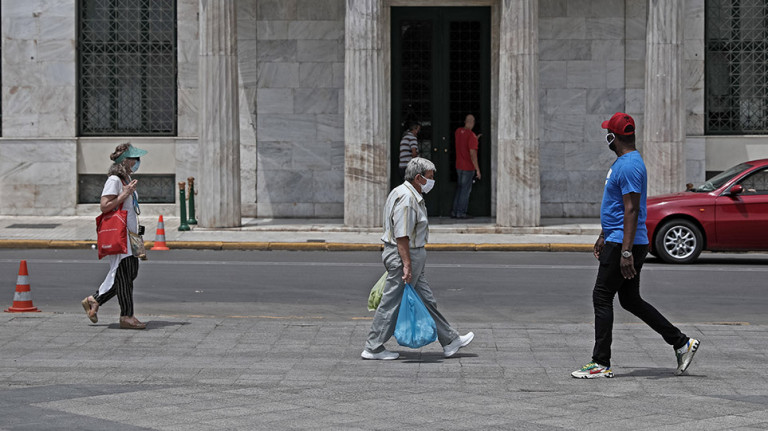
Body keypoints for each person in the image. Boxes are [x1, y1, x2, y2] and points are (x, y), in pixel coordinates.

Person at [571, 113, 700, 378]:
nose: (606, 136)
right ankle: (681, 342)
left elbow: (631, 210)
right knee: (630, 299)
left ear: (614, 137)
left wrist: (625, 251)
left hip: (625, 243)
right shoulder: (625, 162)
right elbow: (618, 208)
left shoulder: (629, 165)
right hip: (619, 238)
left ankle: (600, 363)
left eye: (608, 132)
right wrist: (604, 234)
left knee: (602, 296)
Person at [362, 157, 474, 360]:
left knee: (426, 300)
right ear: (418, 178)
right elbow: (402, 235)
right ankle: (373, 346)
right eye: (430, 177)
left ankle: (449, 340)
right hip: (405, 256)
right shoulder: (407, 199)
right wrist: (406, 264)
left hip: (411, 256)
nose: (432, 181)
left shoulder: (404, 192)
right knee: (391, 302)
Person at [81, 143, 148, 330]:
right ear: (125, 161)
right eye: (135, 159)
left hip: (131, 235)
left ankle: (95, 300)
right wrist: (124, 194)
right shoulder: (115, 180)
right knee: (124, 275)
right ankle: (126, 316)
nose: (138, 162)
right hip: (121, 235)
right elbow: (104, 205)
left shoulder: (126, 179)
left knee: (130, 273)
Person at [451, 114, 482, 219]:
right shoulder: (471, 135)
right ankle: (461, 212)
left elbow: (463, 142)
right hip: (468, 167)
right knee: (465, 191)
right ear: (472, 122)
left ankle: (455, 211)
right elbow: (472, 153)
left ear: (465, 121)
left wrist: (474, 139)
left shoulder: (458, 132)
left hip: (459, 166)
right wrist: (477, 170)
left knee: (459, 189)